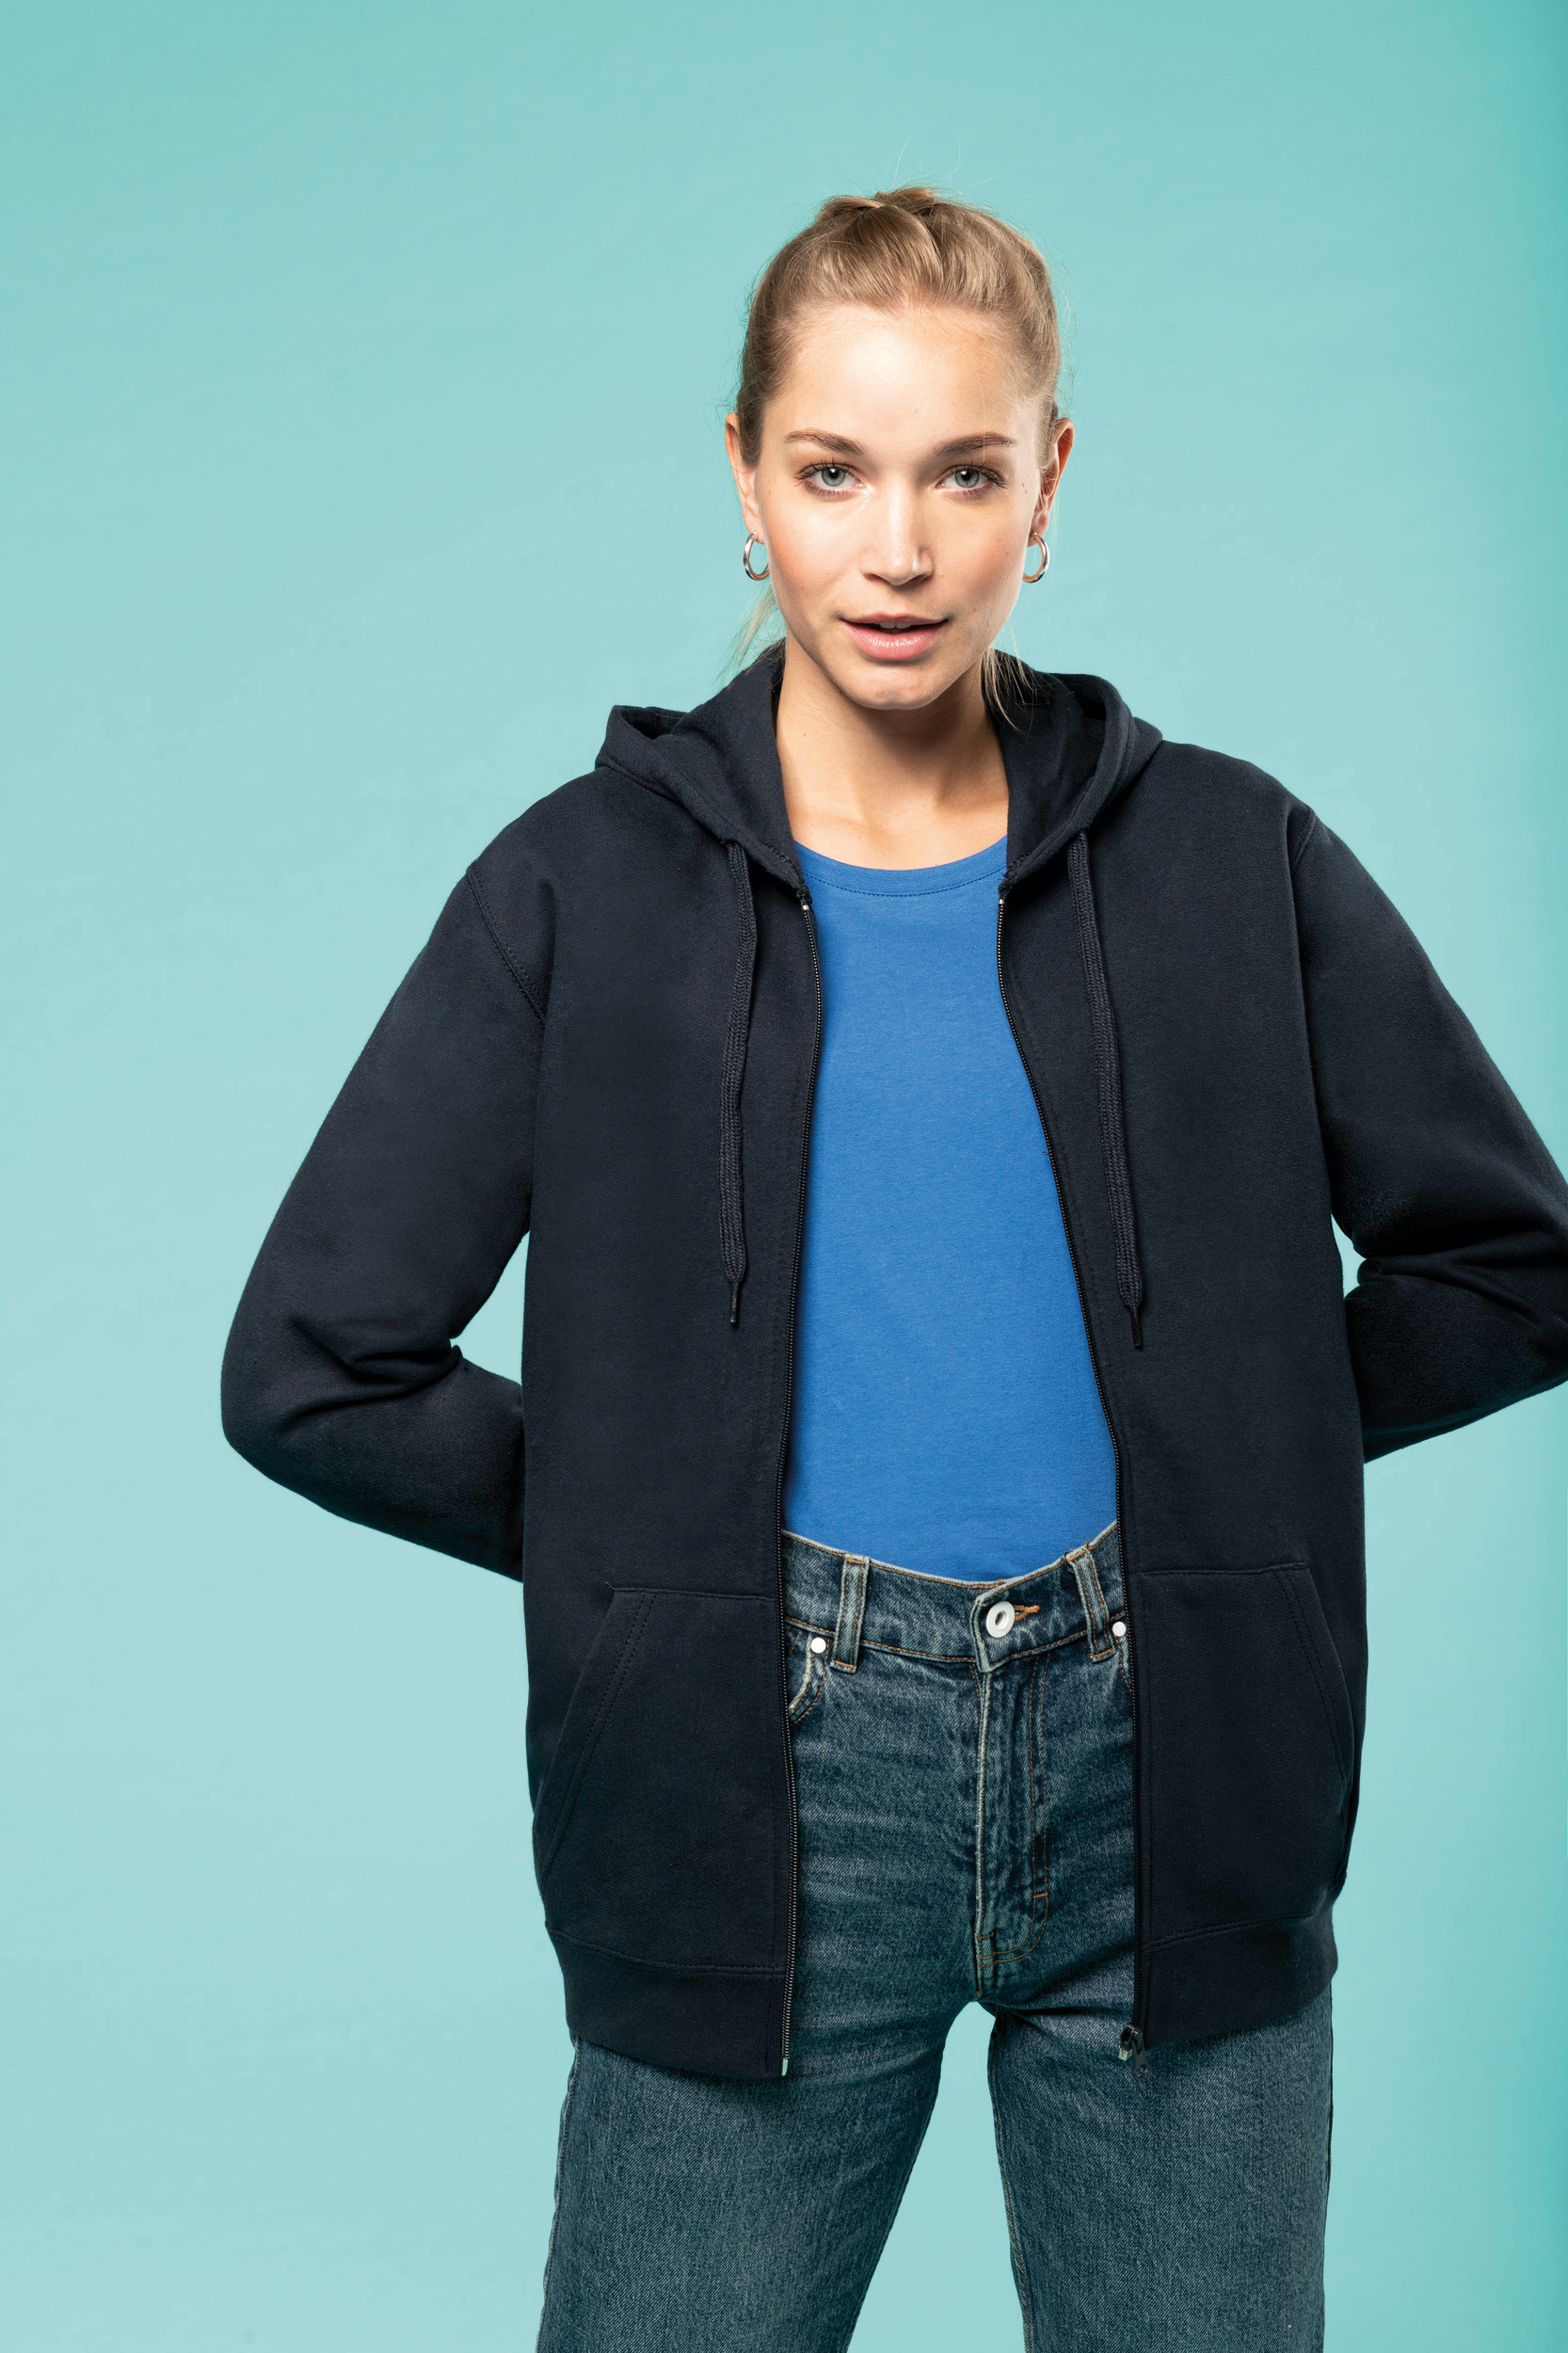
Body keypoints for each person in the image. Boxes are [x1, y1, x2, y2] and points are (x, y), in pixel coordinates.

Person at [221, 187, 1568, 2351]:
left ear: (1048, 478)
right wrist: (645, 1545)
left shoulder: (1229, 857)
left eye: (961, 470)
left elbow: (1511, 1261)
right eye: (834, 470)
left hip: (1174, 1762)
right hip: (757, 1774)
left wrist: (1229, 1456)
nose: (900, 547)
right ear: (743, 478)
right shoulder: (578, 889)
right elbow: (314, 1361)